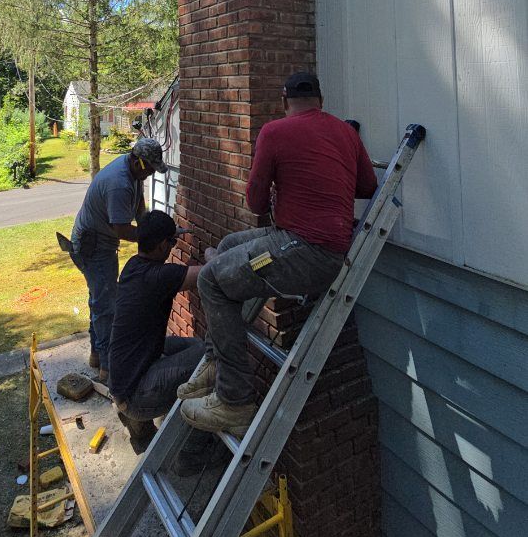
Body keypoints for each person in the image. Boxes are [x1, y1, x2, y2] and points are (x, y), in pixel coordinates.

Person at [178, 71, 378, 438]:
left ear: (284, 99)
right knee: (225, 248)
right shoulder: (345, 133)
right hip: (299, 240)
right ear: (320, 98)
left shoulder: (274, 132)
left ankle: (234, 402)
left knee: (211, 279)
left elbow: (255, 202)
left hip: (306, 251)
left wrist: (280, 185)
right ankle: (215, 360)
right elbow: (367, 185)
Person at [108, 210, 222, 473]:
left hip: (122, 380)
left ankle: (138, 426)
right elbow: (209, 273)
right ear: (161, 245)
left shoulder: (133, 266)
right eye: (172, 243)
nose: (173, 247)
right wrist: (212, 255)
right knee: (211, 363)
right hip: (135, 396)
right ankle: (191, 454)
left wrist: (173, 233)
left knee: (196, 347)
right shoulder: (161, 276)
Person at [70, 137, 167, 382]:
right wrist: (151, 238)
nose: (150, 174)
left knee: (100, 298)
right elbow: (122, 229)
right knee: (106, 304)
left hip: (100, 241)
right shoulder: (119, 183)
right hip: (93, 246)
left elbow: (140, 211)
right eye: (150, 169)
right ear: (138, 161)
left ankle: (96, 354)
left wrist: (153, 225)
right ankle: (108, 367)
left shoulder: (134, 174)